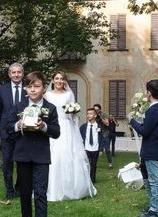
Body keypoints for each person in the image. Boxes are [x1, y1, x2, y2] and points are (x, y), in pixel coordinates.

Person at [7, 71, 60, 217]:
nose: (33, 90)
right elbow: (7, 128)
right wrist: (17, 125)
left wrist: (44, 126)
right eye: (29, 86)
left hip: (41, 156)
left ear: (44, 88)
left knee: (40, 192)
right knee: (24, 192)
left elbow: (56, 132)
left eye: (36, 86)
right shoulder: (18, 106)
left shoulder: (50, 108)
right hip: (22, 155)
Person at [44, 71, 96, 201]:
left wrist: (73, 112)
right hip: (53, 126)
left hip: (66, 126)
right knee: (53, 155)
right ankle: (51, 188)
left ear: (65, 81)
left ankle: (71, 187)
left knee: (68, 154)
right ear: (53, 80)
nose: (59, 81)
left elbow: (74, 113)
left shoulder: (68, 94)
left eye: (62, 79)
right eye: (56, 78)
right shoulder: (47, 95)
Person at [129, 80, 158, 217]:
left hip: (153, 150)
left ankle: (155, 210)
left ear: (149, 93)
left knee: (154, 180)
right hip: (155, 149)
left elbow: (145, 131)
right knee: (152, 178)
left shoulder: (153, 110)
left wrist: (132, 121)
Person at [0, 62, 25, 203]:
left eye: (19, 72)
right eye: (14, 72)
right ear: (9, 74)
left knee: (23, 162)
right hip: (6, 131)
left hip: (24, 131)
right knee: (7, 162)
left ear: (22, 73)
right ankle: (9, 191)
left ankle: (19, 188)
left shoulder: (28, 89)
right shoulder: (2, 89)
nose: (16, 75)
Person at [80, 108, 102, 184]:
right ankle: (85, 179)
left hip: (95, 149)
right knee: (86, 164)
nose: (88, 115)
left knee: (94, 165)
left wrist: (101, 149)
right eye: (87, 114)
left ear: (95, 115)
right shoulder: (83, 127)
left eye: (91, 114)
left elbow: (101, 138)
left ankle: (92, 179)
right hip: (86, 148)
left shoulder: (99, 126)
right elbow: (80, 137)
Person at [93, 104, 113, 168]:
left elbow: (107, 124)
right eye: (94, 109)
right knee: (96, 149)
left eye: (97, 109)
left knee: (107, 150)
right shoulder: (93, 115)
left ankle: (110, 163)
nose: (96, 111)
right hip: (97, 133)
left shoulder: (104, 114)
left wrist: (101, 119)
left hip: (105, 133)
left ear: (100, 109)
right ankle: (94, 163)